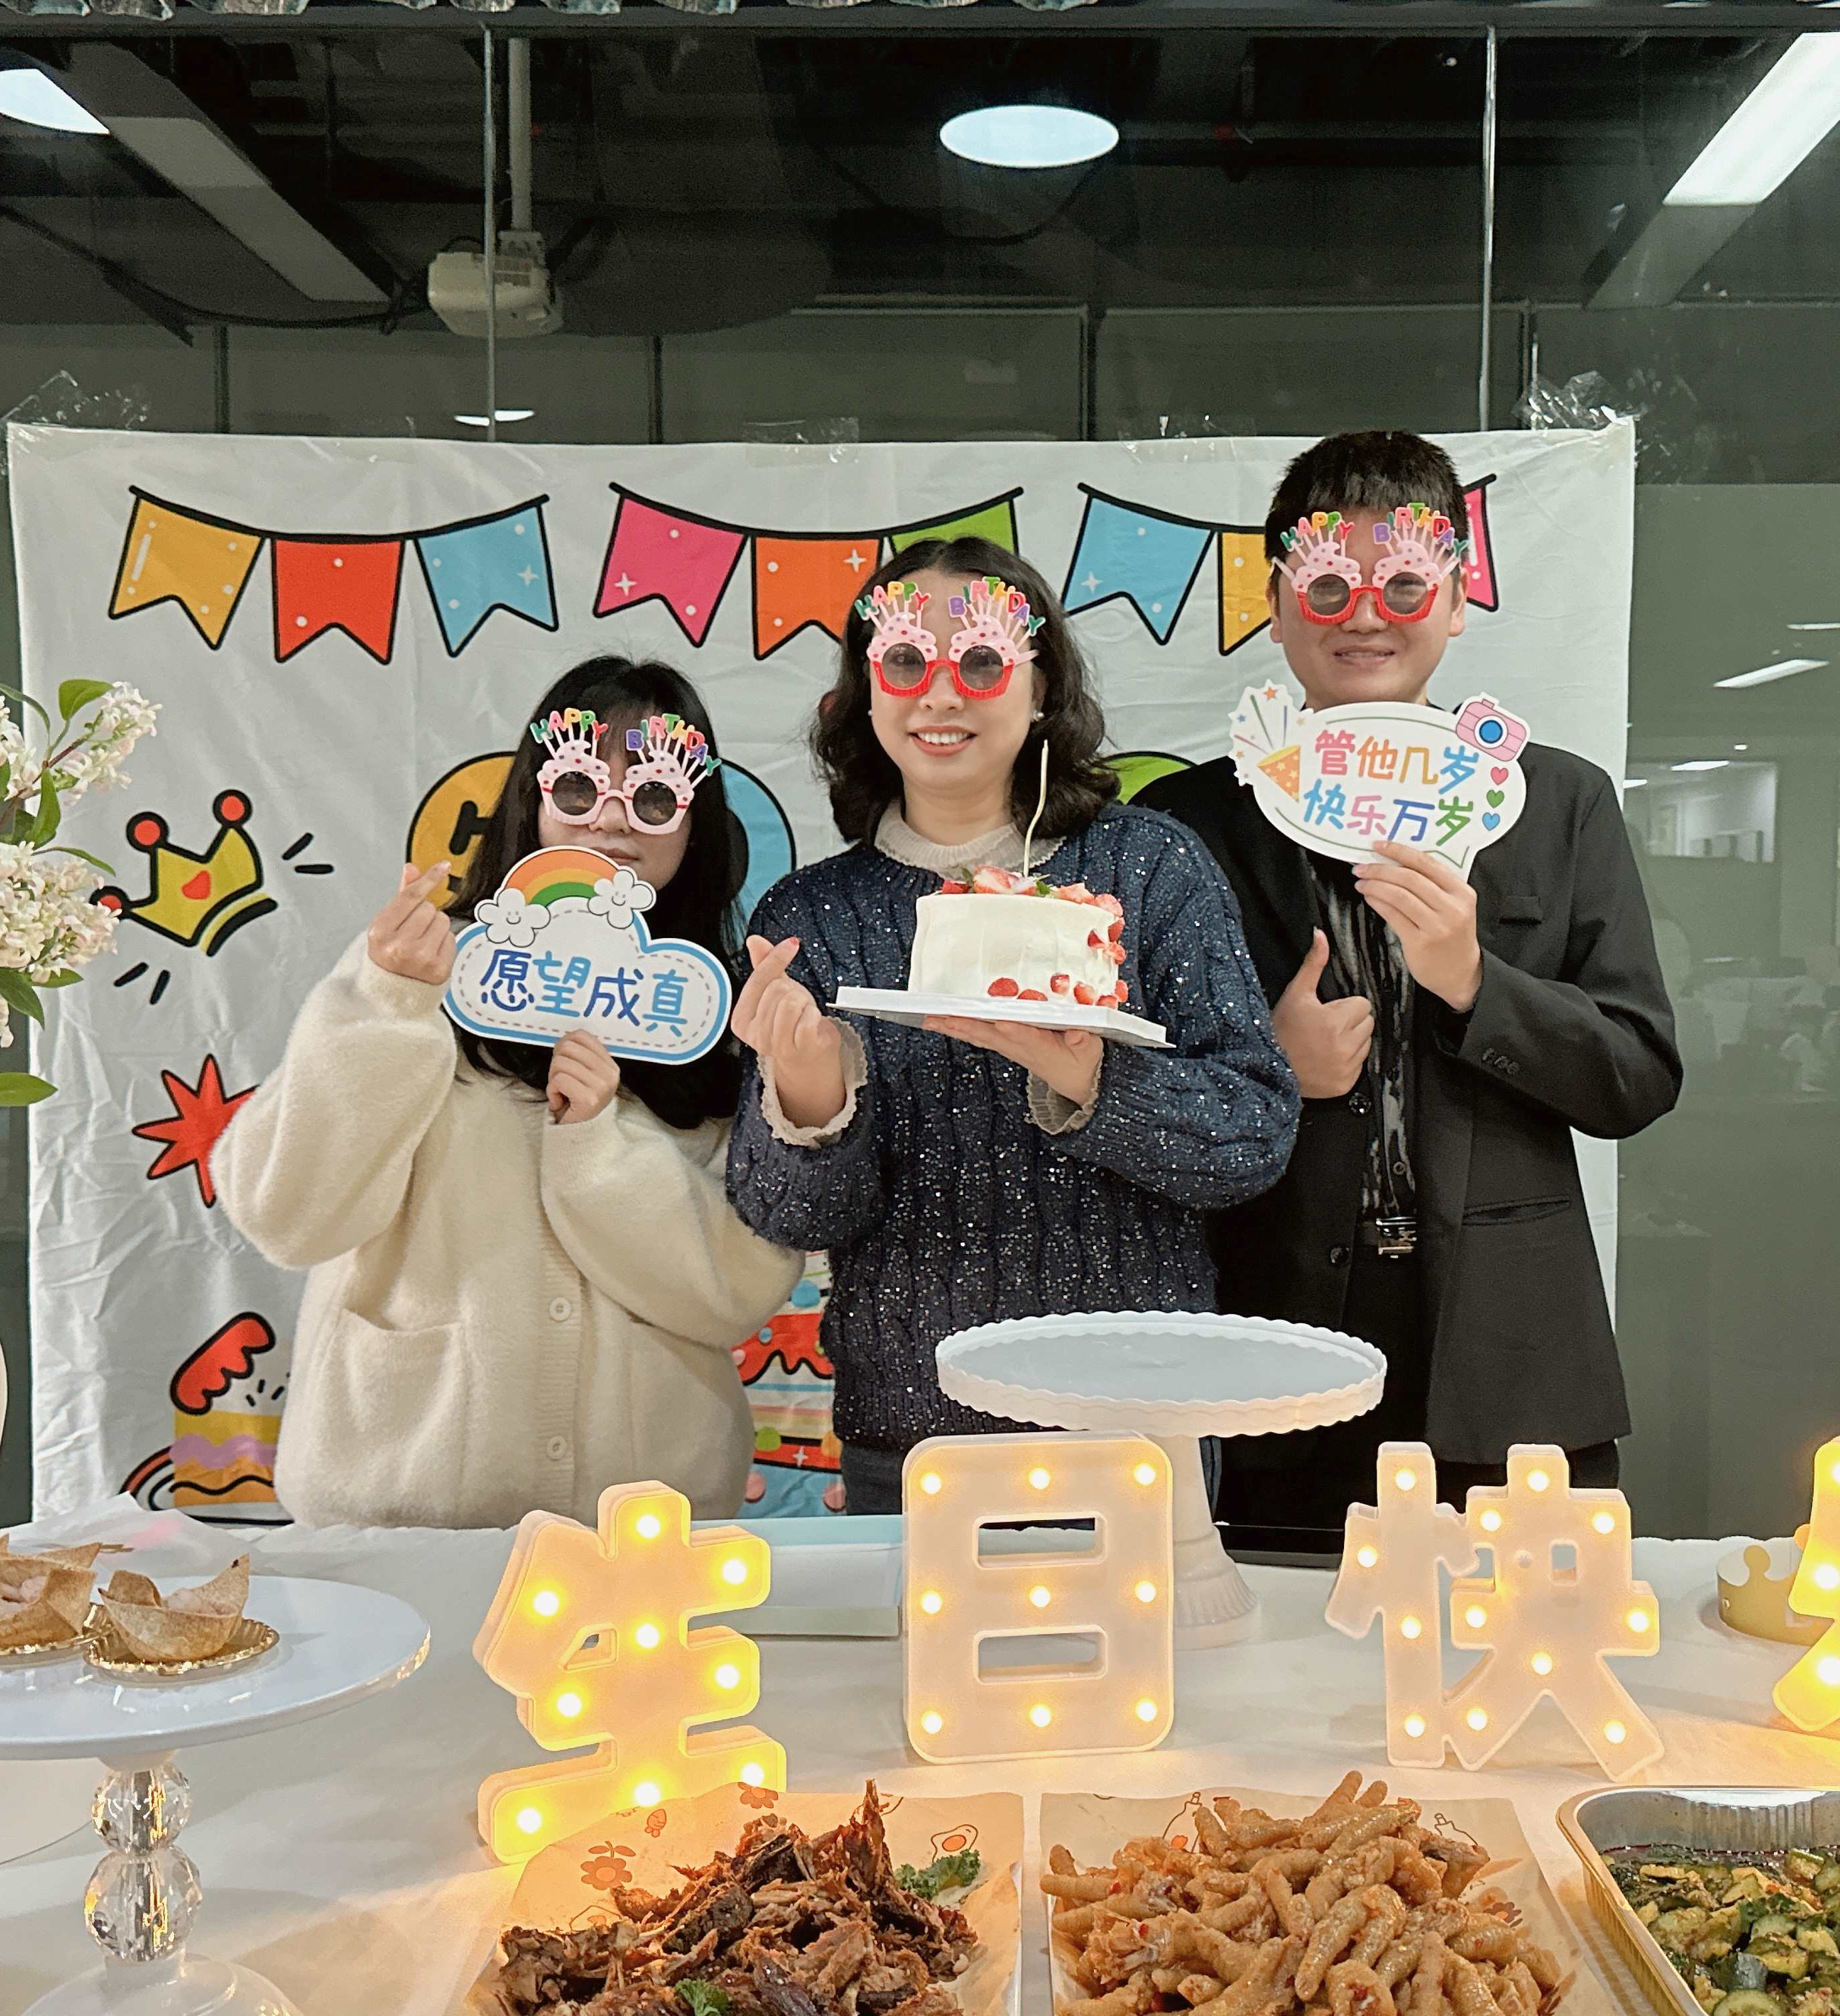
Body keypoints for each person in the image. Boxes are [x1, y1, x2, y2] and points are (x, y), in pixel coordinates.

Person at [1139, 431, 1680, 1545]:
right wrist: (1268, 1071)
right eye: (1326, 588)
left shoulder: (1555, 803)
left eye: (1402, 587)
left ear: (1457, 599)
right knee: (1278, 1646)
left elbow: (1637, 1075)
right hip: (1271, 1344)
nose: (1365, 617)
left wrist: (1477, 983)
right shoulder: (1188, 825)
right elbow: (1126, 1094)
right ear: (1276, 606)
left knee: (1529, 1637)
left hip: (1512, 1353)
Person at [724, 537, 1299, 1515]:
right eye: (906, 661)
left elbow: (1251, 1138)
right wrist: (810, 1092)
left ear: (1041, 689)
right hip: (914, 1440)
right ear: (865, 692)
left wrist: (1093, 1082)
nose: (941, 694)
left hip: (1137, 1429)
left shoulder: (1149, 866)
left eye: (983, 660)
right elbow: (793, 1220)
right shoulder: (810, 916)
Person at [214, 659, 802, 1529]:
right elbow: (285, 1212)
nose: (613, 818)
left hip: (643, 1528)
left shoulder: (708, 1016)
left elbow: (737, 1291)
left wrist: (600, 1143)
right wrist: (387, 1005)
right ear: (532, 800)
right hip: (402, 1511)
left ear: (695, 823)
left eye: (651, 797)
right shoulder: (426, 968)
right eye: (579, 787)